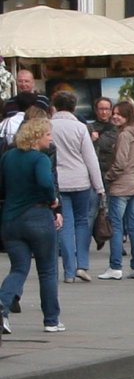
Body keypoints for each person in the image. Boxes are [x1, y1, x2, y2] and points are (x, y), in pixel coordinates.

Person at [0, 117, 65, 334]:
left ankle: (2, 306)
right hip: (38, 216)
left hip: (10, 219)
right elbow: (46, 182)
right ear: (37, 137)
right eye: (48, 134)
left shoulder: (8, 156)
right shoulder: (40, 159)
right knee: (47, 270)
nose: (51, 138)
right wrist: (53, 200)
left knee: (18, 268)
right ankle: (51, 320)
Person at [51, 90, 105, 283]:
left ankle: (68, 270)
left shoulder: (49, 126)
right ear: (74, 107)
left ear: (55, 106)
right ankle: (82, 264)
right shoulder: (81, 128)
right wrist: (99, 187)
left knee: (64, 224)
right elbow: (90, 159)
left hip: (58, 181)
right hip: (80, 180)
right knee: (82, 222)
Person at [98, 101, 134, 281]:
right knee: (133, 226)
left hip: (121, 186)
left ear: (127, 116)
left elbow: (120, 162)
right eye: (114, 113)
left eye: (120, 114)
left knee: (116, 226)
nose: (115, 116)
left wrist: (108, 177)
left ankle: (115, 266)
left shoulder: (124, 135)